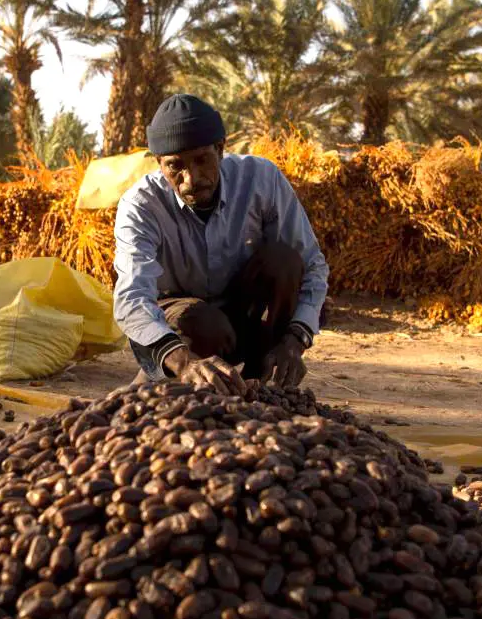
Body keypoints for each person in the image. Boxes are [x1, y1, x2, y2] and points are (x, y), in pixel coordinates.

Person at [113, 93, 330, 394]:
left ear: (221, 149)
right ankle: (173, 380)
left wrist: (295, 340)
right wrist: (183, 361)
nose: (191, 179)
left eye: (202, 160)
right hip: (188, 326)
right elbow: (132, 298)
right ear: (159, 164)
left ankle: (261, 381)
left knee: (284, 260)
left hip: (245, 315)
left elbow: (312, 266)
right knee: (202, 322)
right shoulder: (140, 206)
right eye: (175, 166)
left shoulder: (260, 179)